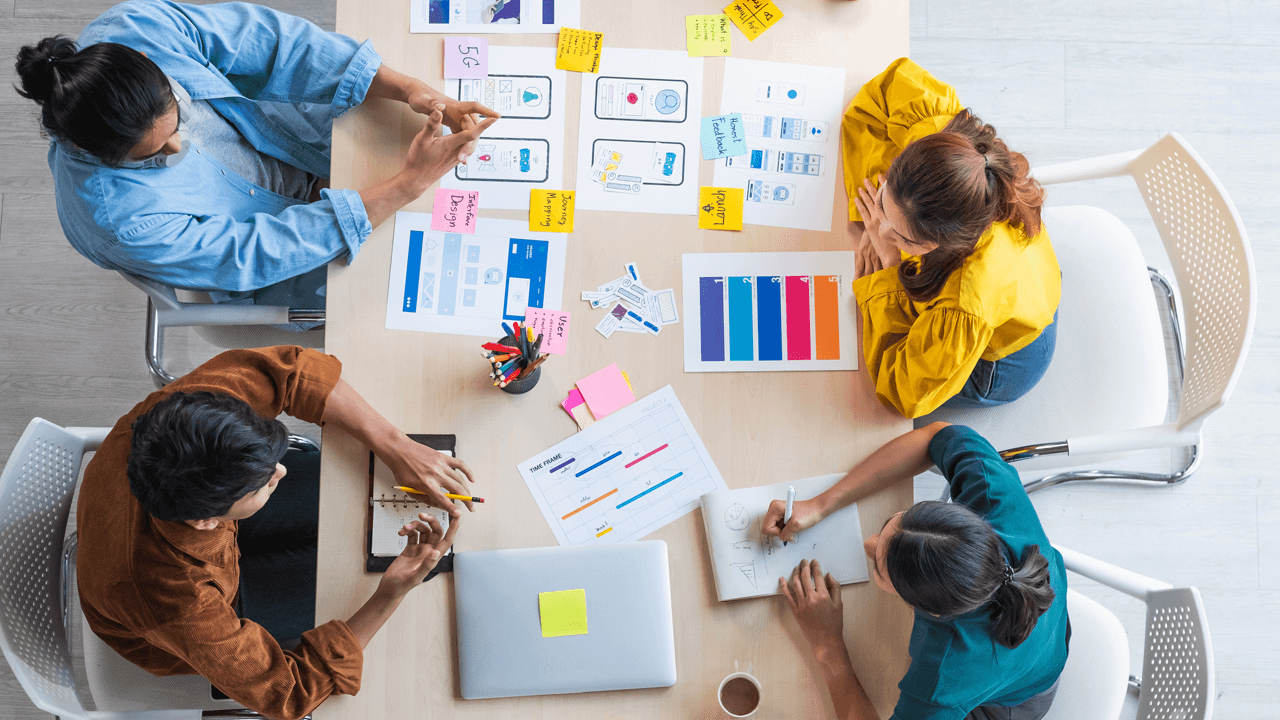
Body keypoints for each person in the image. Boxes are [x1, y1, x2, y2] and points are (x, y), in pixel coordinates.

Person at [14, 0, 497, 319]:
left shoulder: (138, 29)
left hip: (290, 137)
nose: (178, 147)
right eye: (154, 154)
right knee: (411, 291)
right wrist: (407, 186)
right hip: (285, 239)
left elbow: (272, 43)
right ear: (103, 156)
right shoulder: (116, 222)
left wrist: (411, 89)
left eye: (176, 120)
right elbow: (255, 253)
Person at [76, 346, 477, 720]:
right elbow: (290, 692)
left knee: (353, 505)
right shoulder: (177, 604)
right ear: (207, 520)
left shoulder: (185, 414)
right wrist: (389, 595)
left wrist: (396, 445)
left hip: (188, 520)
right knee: (360, 579)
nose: (281, 471)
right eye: (262, 483)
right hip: (199, 604)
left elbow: (293, 372)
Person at [762, 422, 1069, 720]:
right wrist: (820, 504)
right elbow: (936, 435)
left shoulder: (946, 674)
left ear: (931, 613)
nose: (867, 544)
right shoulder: (993, 495)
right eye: (887, 527)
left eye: (880, 571)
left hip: (1013, 700)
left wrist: (826, 644)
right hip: (1040, 636)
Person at [844, 58, 1060, 418]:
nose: (881, 230)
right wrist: (870, 213)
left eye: (903, 238)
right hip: (1026, 289)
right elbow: (885, 90)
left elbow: (903, 394)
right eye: (885, 201)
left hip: (1006, 361)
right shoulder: (945, 150)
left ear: (944, 244)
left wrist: (889, 268)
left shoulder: (965, 301)